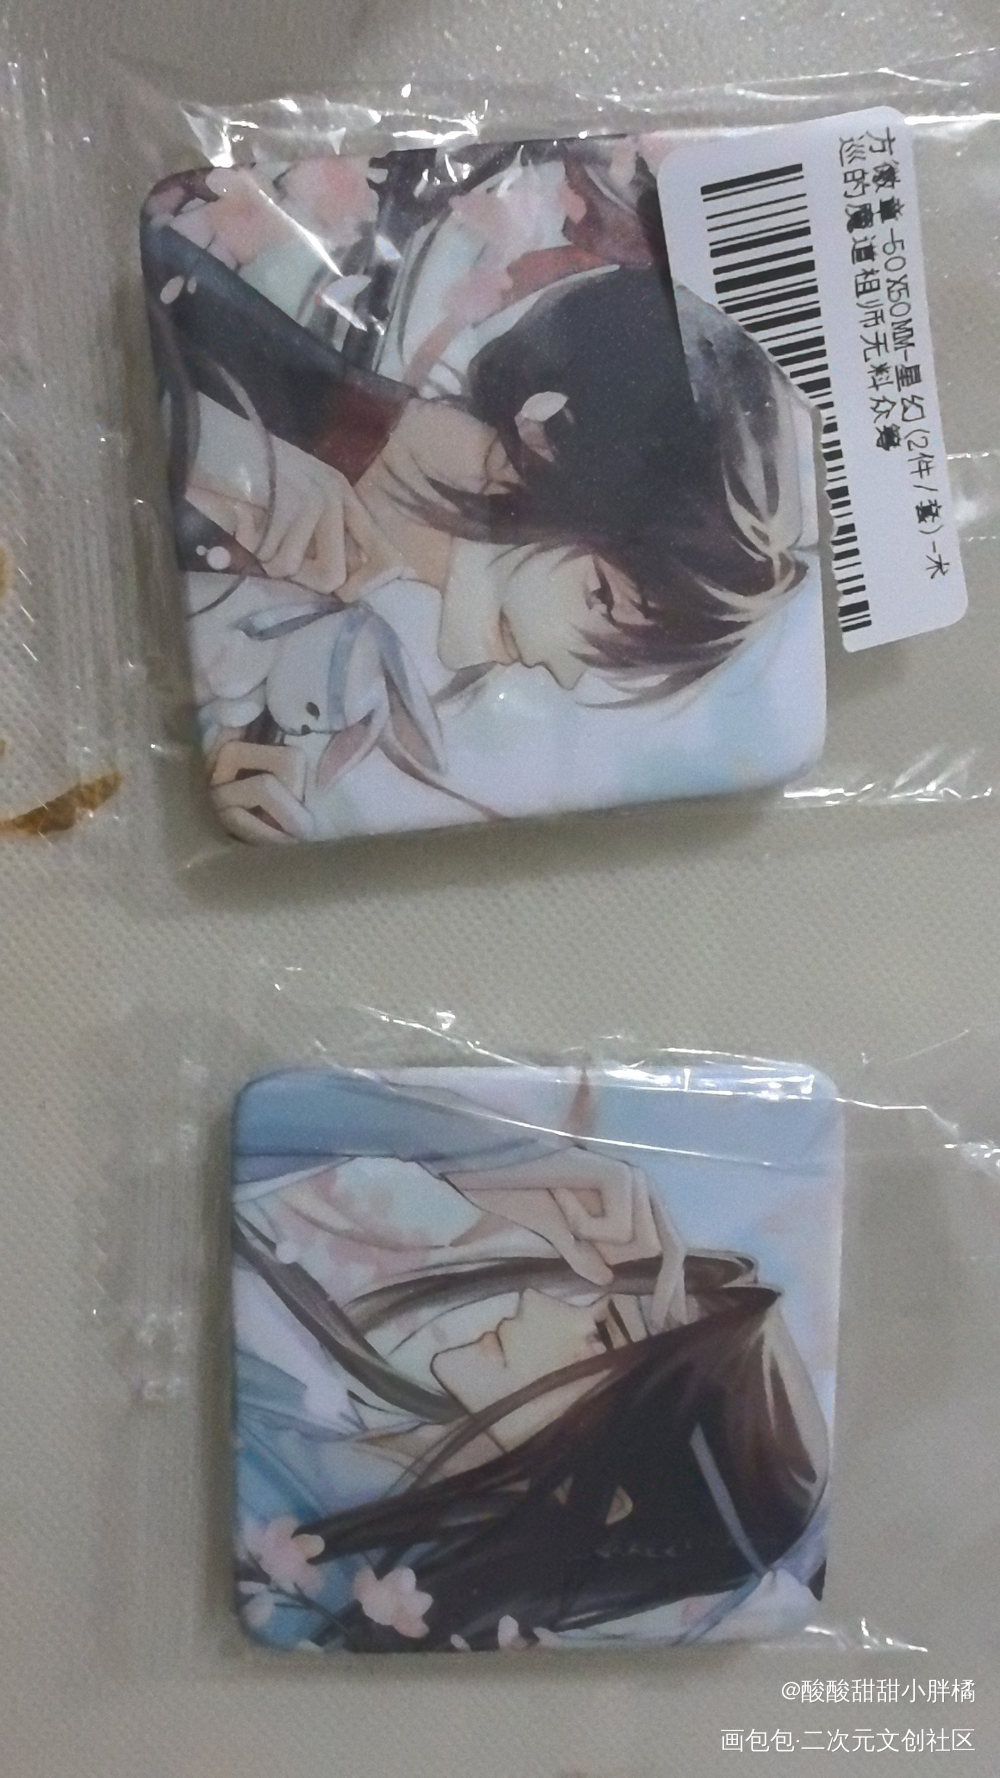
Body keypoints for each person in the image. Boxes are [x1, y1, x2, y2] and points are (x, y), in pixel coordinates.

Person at [142, 140, 816, 839]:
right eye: (600, 598)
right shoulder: (232, 361)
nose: (563, 670)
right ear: (544, 429)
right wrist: (215, 448)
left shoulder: (325, 644)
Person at [231, 1072, 830, 1651]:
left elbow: (267, 1121)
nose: (538, 1300)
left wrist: (490, 1155)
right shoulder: (326, 1424)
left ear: (608, 1496)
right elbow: (261, 1118)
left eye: (602, 1337)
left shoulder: (305, 1540)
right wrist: (515, 1164)